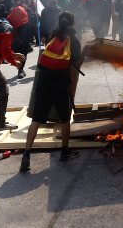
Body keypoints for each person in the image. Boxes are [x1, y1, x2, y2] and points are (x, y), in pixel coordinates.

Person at [20, 12, 84, 172]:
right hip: (60, 84)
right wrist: (87, 51)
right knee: (64, 119)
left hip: (43, 83)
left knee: (36, 120)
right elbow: (77, 65)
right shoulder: (74, 41)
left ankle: (26, 155)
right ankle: (64, 152)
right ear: (73, 23)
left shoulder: (52, 36)